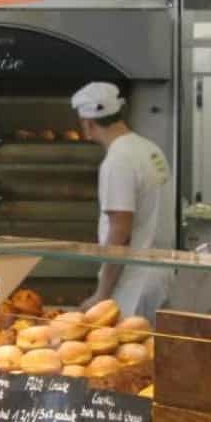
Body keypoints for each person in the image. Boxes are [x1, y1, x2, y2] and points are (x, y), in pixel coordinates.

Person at [71, 81, 172, 322]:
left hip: (132, 284)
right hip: (161, 276)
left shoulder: (118, 160)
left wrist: (101, 294)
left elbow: (120, 231)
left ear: (87, 123)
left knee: (129, 357)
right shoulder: (149, 149)